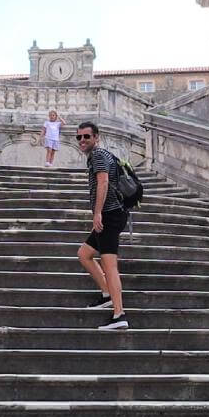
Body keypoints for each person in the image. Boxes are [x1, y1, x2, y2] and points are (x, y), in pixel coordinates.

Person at [75, 121, 129, 330]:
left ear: (96, 137)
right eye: (78, 137)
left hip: (109, 214)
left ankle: (119, 315)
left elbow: (104, 182)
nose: (82, 140)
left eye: (86, 136)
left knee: (109, 265)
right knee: (84, 254)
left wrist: (97, 213)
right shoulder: (103, 155)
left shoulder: (98, 155)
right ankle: (107, 294)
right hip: (112, 214)